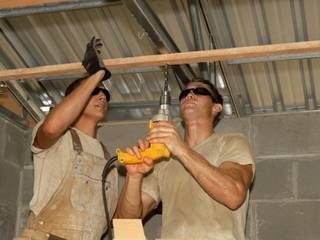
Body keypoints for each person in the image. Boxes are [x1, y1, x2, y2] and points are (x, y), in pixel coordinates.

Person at [115, 78, 255, 239]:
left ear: (217, 107)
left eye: (200, 91)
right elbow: (126, 223)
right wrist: (134, 176)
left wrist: (180, 149)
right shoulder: (162, 160)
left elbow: (233, 195)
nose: (189, 95)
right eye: (184, 93)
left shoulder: (231, 142)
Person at [16, 37, 118, 240]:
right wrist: (96, 74)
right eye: (95, 91)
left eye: (105, 94)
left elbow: (116, 218)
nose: (102, 97)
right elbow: (52, 128)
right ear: (75, 98)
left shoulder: (110, 159)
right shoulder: (60, 138)